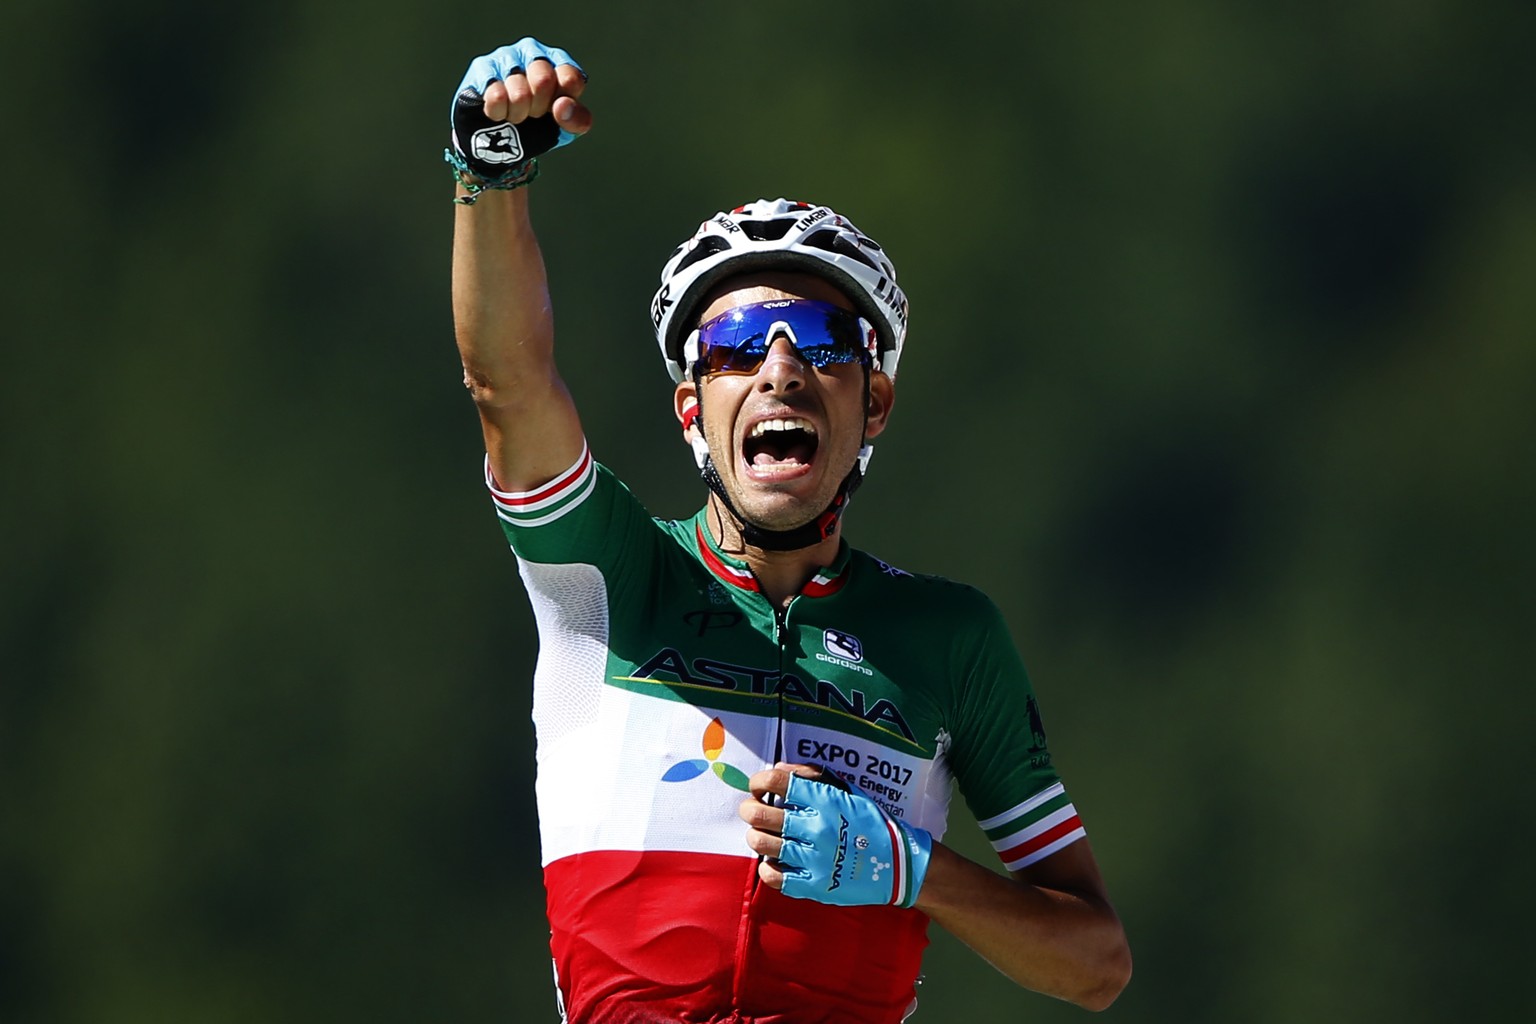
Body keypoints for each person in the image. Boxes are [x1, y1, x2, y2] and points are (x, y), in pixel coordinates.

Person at [447, 38, 1131, 1024]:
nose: (778, 369)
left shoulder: (948, 639)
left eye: (820, 341)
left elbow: (1095, 961)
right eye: (731, 348)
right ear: (691, 410)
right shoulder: (614, 573)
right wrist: (488, 177)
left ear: (876, 401)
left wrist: (915, 870)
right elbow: (508, 384)